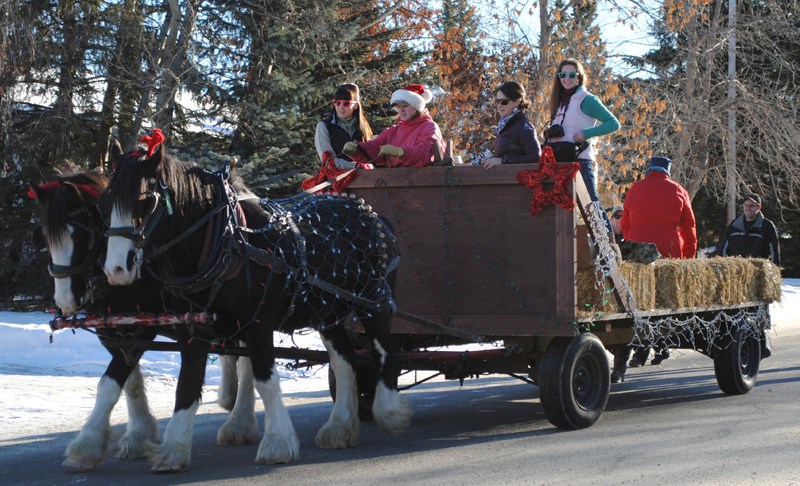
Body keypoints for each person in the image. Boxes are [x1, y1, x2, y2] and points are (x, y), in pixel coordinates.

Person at [545, 59, 620, 232]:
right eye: (562, 75)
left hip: (580, 160)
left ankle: (611, 249)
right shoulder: (561, 101)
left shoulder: (586, 99)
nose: (567, 78)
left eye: (572, 75)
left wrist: (587, 134)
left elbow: (613, 123)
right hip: (559, 162)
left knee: (591, 206)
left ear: (579, 77)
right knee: (559, 206)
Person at [342, 84, 445, 168]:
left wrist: (401, 153)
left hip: (424, 182)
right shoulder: (393, 131)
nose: (401, 110)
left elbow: (426, 153)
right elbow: (374, 148)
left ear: (417, 106)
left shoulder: (429, 127)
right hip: (395, 182)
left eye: (405, 106)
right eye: (398, 106)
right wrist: (357, 149)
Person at [622, 156, 697, 259]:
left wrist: (632, 242)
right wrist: (688, 258)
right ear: (667, 171)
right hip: (668, 249)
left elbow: (625, 225)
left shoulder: (634, 189)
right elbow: (689, 228)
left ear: (649, 168)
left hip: (638, 249)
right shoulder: (680, 191)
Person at [480, 81, 541, 169]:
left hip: (517, 180)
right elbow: (507, 154)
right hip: (504, 179)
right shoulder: (505, 125)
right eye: (497, 101)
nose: (499, 106)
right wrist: (491, 160)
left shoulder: (523, 126)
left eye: (504, 102)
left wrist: (502, 160)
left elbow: (535, 157)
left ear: (517, 102)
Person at [314, 83, 374, 170]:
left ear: (356, 105)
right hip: (337, 180)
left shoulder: (364, 127)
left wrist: (369, 165)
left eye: (346, 103)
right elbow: (328, 161)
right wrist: (355, 166)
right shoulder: (324, 126)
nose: (340, 107)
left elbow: (371, 156)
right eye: (337, 103)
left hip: (364, 179)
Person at [719, 193, 781, 265]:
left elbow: (774, 253)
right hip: (736, 272)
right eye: (746, 205)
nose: (748, 208)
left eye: (751, 206)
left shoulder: (767, 226)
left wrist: (774, 270)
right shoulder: (734, 225)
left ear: (759, 207)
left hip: (759, 273)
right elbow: (723, 250)